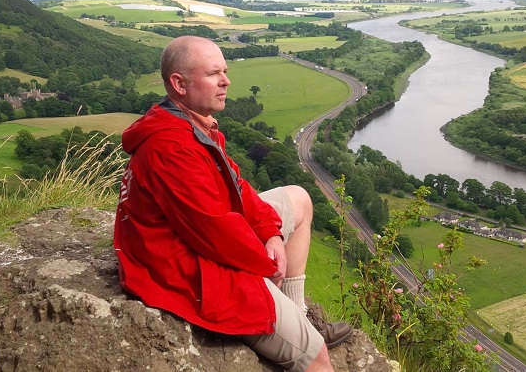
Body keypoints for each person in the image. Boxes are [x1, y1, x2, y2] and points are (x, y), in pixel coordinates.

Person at [114, 35, 352, 372]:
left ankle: (298, 313)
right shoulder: (171, 146)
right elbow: (214, 232)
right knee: (315, 357)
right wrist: (268, 264)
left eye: (224, 71)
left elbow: (239, 190)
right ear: (179, 84)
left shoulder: (196, 126)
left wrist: (271, 233)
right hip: (181, 265)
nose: (226, 80)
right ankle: (302, 336)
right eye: (213, 74)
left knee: (299, 198)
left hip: (202, 242)